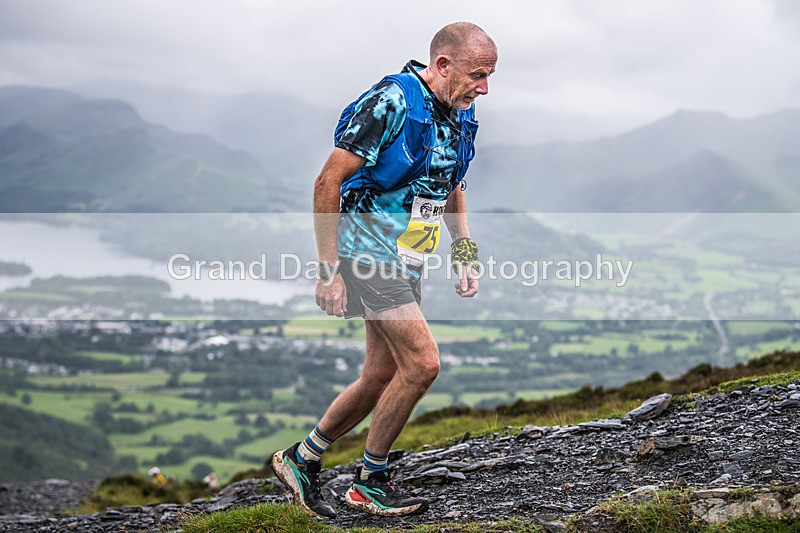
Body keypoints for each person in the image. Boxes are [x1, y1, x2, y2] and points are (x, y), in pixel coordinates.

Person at [272, 21, 496, 518]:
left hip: (409, 253)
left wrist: (464, 252)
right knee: (423, 363)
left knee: (381, 373)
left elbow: (451, 183)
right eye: (478, 75)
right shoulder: (391, 102)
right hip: (367, 252)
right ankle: (370, 481)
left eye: (489, 76)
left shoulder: (460, 108)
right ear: (442, 65)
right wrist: (328, 270)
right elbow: (327, 181)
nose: (485, 88)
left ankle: (301, 458)